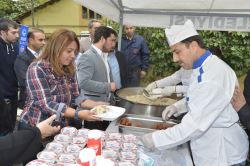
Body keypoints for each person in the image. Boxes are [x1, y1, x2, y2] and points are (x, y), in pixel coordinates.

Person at [141, 20, 248, 166]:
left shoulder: (213, 75)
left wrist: (155, 139)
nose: (175, 59)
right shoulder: (202, 66)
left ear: (193, 46)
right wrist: (179, 107)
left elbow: (194, 125)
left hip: (222, 153)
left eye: (177, 52)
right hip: (209, 148)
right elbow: (198, 96)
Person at [19, 29, 107, 128]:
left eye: (75, 52)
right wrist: (78, 114)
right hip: (36, 125)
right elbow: (46, 104)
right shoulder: (37, 68)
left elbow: (75, 97)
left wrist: (96, 104)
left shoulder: (69, 68)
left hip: (59, 124)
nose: (73, 55)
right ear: (56, 48)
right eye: (69, 51)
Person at [76, 26, 117, 130]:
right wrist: (108, 86)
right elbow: (83, 82)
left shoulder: (104, 56)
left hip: (105, 108)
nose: (114, 44)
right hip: (92, 111)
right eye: (112, 40)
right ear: (102, 39)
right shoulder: (88, 56)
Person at [14, 28, 46, 109]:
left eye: (44, 40)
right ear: (31, 40)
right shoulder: (22, 58)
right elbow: (24, 81)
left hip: (43, 99)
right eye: (40, 40)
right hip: (29, 102)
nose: (44, 43)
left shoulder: (43, 56)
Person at [0, 18, 19, 136]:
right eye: (13, 32)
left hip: (14, 94)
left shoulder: (16, 47)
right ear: (2, 32)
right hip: (2, 96)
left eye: (17, 32)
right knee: (3, 130)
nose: (16, 35)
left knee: (12, 126)